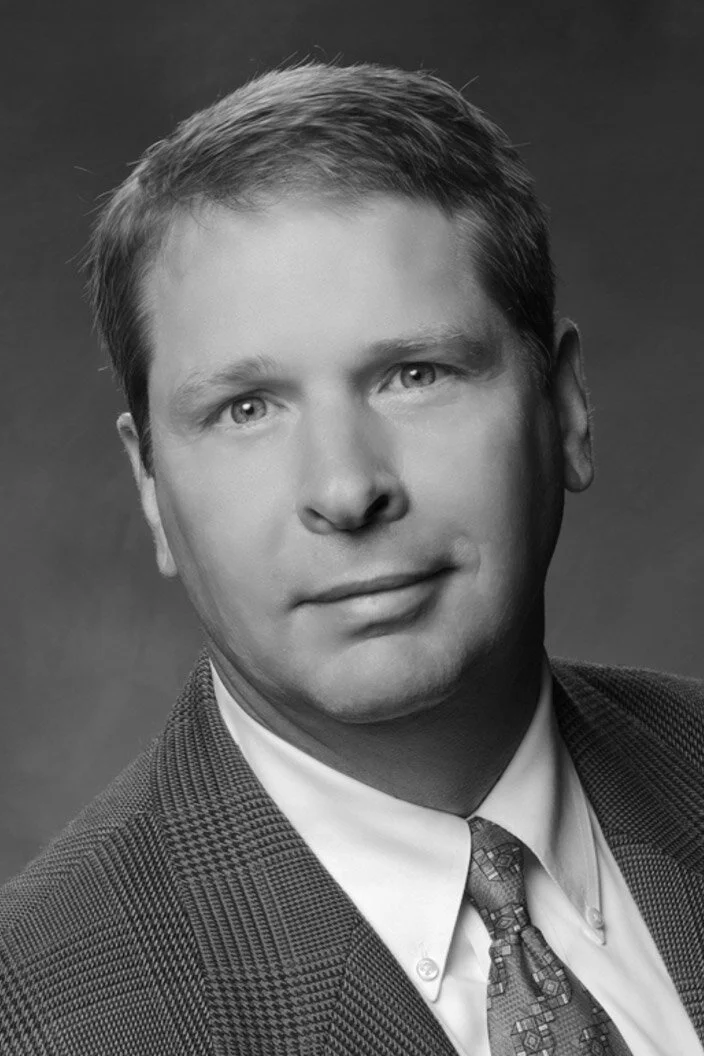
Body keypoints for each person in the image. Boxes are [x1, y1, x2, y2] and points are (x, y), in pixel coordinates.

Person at [1, 62, 702, 1056]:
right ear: (150, 484)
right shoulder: (36, 1017)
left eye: (414, 374)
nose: (344, 488)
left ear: (564, 410)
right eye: (245, 409)